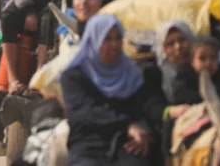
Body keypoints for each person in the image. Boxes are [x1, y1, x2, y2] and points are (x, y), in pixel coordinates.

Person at [60, 14, 152, 165]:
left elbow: (140, 108)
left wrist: (144, 132)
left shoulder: (131, 73)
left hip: (126, 144)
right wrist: (126, 125)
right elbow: (86, 112)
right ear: (94, 40)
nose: (114, 45)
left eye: (118, 38)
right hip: (88, 146)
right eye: (107, 39)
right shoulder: (74, 77)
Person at [171, 38, 220, 105]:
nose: (208, 63)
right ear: (192, 61)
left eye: (213, 57)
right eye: (202, 58)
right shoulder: (183, 78)